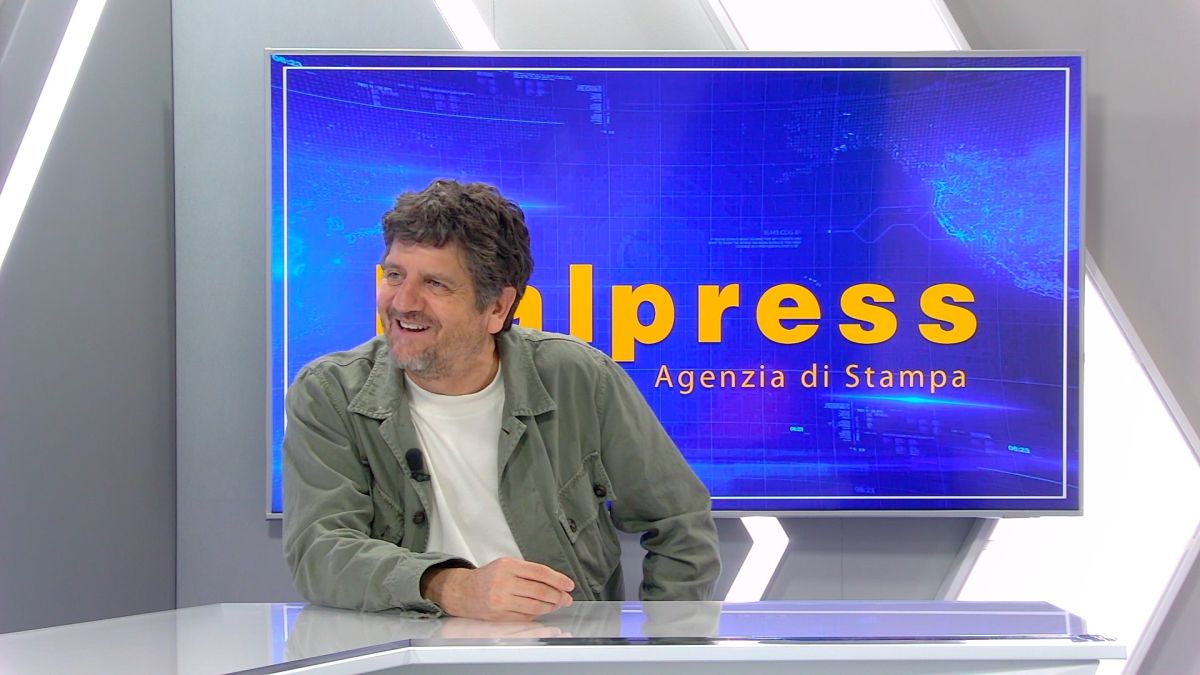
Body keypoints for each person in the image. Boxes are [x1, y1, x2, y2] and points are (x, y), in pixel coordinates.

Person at [283, 179, 720, 621]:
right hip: (403, 646)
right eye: (394, 275)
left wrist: (666, 643)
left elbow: (680, 522)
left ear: (497, 307)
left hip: (563, 648)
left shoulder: (579, 378)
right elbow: (320, 550)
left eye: (435, 283)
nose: (402, 302)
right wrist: (450, 586)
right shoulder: (330, 392)